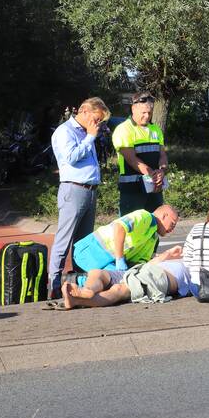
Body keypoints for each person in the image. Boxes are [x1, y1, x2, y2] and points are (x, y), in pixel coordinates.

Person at [48, 97, 110, 298]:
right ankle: (54, 283)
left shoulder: (86, 132)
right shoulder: (65, 131)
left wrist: (91, 135)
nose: (97, 124)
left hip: (90, 190)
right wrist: (91, 137)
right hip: (73, 189)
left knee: (83, 242)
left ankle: (78, 281)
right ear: (83, 111)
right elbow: (71, 157)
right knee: (64, 239)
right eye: (96, 119)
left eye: (100, 121)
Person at [58, 245, 192, 309]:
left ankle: (77, 300)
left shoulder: (198, 267)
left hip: (156, 277)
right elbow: (150, 264)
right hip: (141, 270)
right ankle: (88, 290)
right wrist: (167, 254)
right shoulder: (182, 256)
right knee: (97, 273)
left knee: (119, 290)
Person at [72, 205, 180, 273]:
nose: (173, 229)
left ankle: (78, 281)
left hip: (106, 260)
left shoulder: (153, 238)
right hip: (91, 251)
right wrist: (120, 259)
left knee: (123, 281)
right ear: (164, 216)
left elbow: (140, 264)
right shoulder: (144, 216)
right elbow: (119, 226)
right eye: (172, 224)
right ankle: (76, 281)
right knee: (115, 281)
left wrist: (165, 257)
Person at [112, 91, 169, 215]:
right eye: (143, 112)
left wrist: (162, 171)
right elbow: (132, 159)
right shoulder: (124, 129)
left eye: (150, 112)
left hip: (154, 189)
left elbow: (162, 155)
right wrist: (153, 175)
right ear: (133, 109)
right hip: (132, 191)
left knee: (154, 227)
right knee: (131, 230)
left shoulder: (156, 129)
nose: (147, 116)